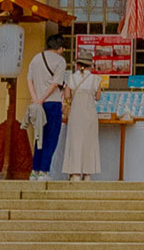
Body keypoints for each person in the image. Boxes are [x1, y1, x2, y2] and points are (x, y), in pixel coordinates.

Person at [26, 34, 70, 180]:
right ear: (60, 48)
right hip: (52, 103)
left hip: (37, 104)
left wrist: (36, 99)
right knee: (51, 138)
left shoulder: (36, 58)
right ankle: (44, 171)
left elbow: (29, 80)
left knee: (39, 137)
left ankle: (34, 171)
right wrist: (43, 98)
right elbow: (55, 84)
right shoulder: (60, 61)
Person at [60, 51, 102, 181]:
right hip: (90, 114)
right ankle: (88, 173)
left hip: (76, 113)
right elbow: (98, 97)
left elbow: (67, 95)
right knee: (90, 142)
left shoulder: (72, 78)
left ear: (78, 65)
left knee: (75, 142)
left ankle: (75, 173)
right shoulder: (96, 79)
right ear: (90, 65)